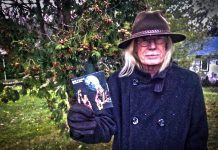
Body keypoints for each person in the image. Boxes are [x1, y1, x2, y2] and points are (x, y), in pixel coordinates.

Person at [67, 10, 208, 150]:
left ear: (167, 44)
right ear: (134, 47)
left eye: (159, 38)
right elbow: (104, 127)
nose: (152, 46)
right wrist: (84, 125)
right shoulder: (117, 82)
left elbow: (197, 139)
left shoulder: (188, 82)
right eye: (144, 40)